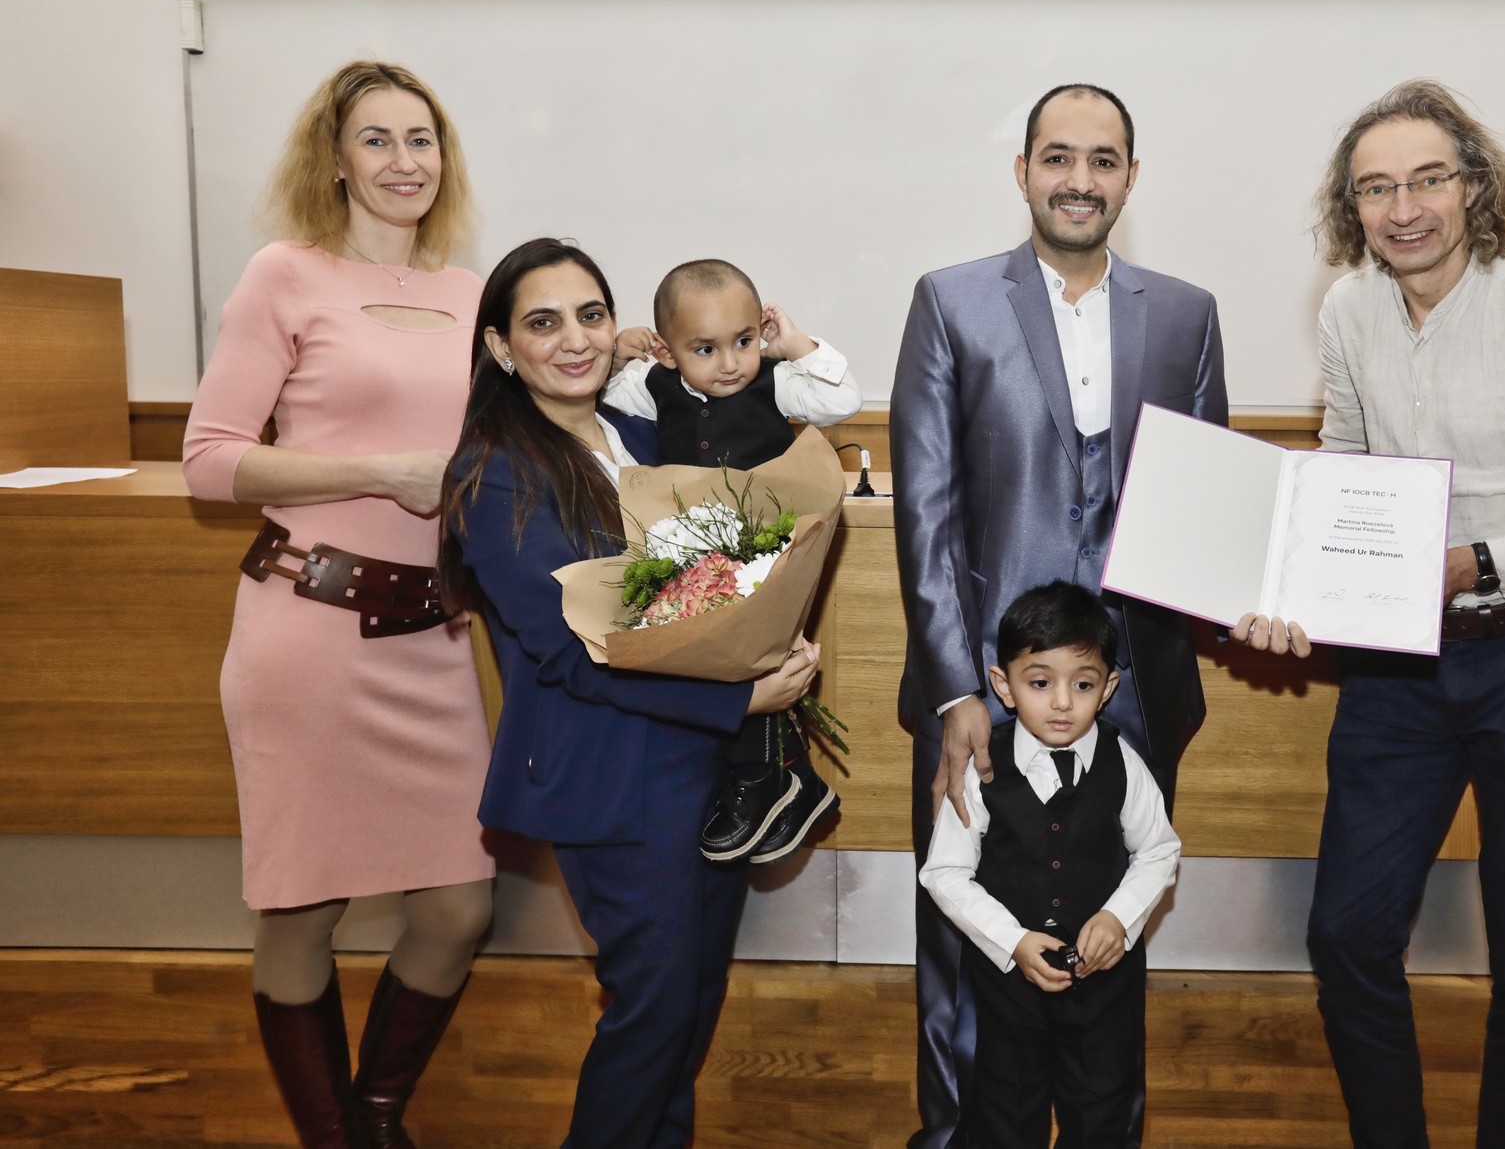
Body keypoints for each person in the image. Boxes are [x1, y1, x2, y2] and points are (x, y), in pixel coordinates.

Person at [1235, 78, 1505, 1146]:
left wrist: (1473, 561)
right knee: (1344, 937)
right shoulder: (1348, 309)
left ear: (1473, 186)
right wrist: (1288, 584)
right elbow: (1345, 468)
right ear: (1351, 207)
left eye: (1425, 179)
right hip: (1397, 670)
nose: (1401, 209)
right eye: (1374, 187)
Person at [892, 82, 1227, 1148]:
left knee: (1113, 931)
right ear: (1023, 170)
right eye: (1057, 156)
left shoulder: (1184, 313)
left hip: (1127, 689)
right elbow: (927, 512)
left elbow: (1205, 504)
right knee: (963, 933)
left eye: (1102, 159)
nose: (1078, 179)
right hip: (990, 690)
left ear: (1130, 175)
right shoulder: (949, 300)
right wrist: (957, 687)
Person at [438, 238, 819, 1148]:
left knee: (686, 1012)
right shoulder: (494, 471)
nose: (574, 339)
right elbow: (574, 651)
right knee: (650, 1017)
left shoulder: (648, 437)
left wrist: (766, 623)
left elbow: (718, 581)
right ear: (499, 347)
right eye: (543, 321)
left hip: (703, 770)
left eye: (592, 315)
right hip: (612, 780)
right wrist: (741, 700)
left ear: (622, 329)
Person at [182, 60, 494, 1149]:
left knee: (459, 905)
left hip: (430, 639)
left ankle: (371, 1116)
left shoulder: (469, 294)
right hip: (306, 631)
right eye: (378, 139)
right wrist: (379, 471)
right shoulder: (286, 274)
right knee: (300, 908)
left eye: (422, 139)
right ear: (335, 158)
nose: (404, 161)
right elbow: (210, 462)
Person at [601, 257, 861, 864]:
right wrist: (618, 351)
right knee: (709, 666)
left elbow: (840, 398)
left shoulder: (774, 378)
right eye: (705, 349)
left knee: (753, 662)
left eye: (744, 341)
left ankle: (759, 778)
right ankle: (786, 776)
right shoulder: (653, 384)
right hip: (692, 552)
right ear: (667, 350)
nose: (730, 363)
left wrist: (795, 345)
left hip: (768, 550)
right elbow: (600, 392)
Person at [919, 582, 1180, 1149]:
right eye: (1040, 682)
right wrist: (1011, 940)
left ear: (1108, 688)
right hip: (1011, 994)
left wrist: (1120, 916)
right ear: (1003, 687)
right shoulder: (982, 770)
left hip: (1105, 992)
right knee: (1006, 1118)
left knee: (1103, 1114)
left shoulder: (1123, 762)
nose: (1062, 702)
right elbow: (944, 872)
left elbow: (1159, 849)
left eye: (1082, 684)